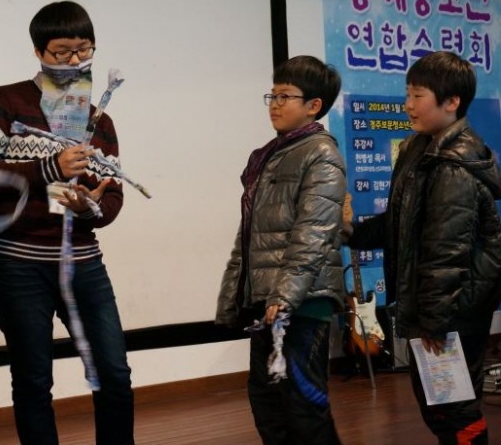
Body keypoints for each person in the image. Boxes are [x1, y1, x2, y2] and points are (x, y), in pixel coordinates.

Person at [0, 0, 134, 445]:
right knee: (34, 379)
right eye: (62, 52)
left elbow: (112, 197)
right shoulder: (7, 101)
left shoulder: (100, 120)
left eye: (84, 50)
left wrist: (90, 208)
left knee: (114, 373)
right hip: (16, 262)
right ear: (38, 52)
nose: (74, 61)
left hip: (83, 261)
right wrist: (47, 170)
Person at [345, 51, 501, 444]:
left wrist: (435, 321)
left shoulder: (453, 166)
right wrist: (354, 233)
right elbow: (402, 222)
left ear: (452, 102)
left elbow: (446, 254)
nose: (408, 104)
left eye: (418, 95)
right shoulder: (420, 149)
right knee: (440, 405)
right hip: (435, 306)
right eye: (407, 94)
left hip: (453, 308)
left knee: (453, 407)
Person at [215, 55, 346, 444]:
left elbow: (313, 232)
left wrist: (285, 295)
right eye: (272, 95)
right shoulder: (269, 155)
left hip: (304, 301)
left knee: (303, 404)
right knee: (267, 402)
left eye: (285, 96)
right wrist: (234, 296)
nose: (274, 103)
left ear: (313, 105)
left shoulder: (320, 153)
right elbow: (250, 235)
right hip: (270, 300)